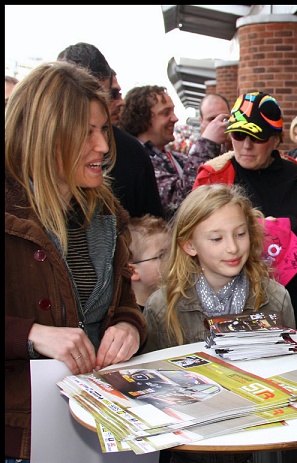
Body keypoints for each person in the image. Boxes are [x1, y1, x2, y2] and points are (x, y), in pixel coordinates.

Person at [5, 61, 148, 463]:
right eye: (86, 132)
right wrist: (32, 335)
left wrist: (127, 328)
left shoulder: (107, 213)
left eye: (103, 129)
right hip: (21, 447)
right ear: (44, 133)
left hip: (101, 428)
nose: (103, 146)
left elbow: (124, 304)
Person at [141, 183, 294, 463]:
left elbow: (289, 379)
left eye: (240, 233)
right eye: (216, 238)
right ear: (189, 245)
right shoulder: (163, 308)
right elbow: (153, 392)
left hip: (258, 452)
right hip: (192, 459)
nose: (233, 247)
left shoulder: (275, 299)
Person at [193, 91, 297, 326]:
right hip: (234, 311)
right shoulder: (214, 177)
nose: (246, 145)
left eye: (257, 137)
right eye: (239, 135)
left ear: (275, 140)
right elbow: (194, 241)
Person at [57, 42, 164, 219]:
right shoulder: (16, 195)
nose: (102, 146)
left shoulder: (132, 153)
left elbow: (154, 228)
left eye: (103, 95)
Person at [118, 85, 228, 221]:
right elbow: (179, 203)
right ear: (142, 118)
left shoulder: (175, 157)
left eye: (173, 111)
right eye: (166, 113)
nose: (175, 118)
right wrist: (208, 143)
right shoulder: (135, 161)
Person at [128, 214, 170, 312]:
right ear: (132, 271)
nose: (172, 258)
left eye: (173, 251)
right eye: (162, 255)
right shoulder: (130, 319)